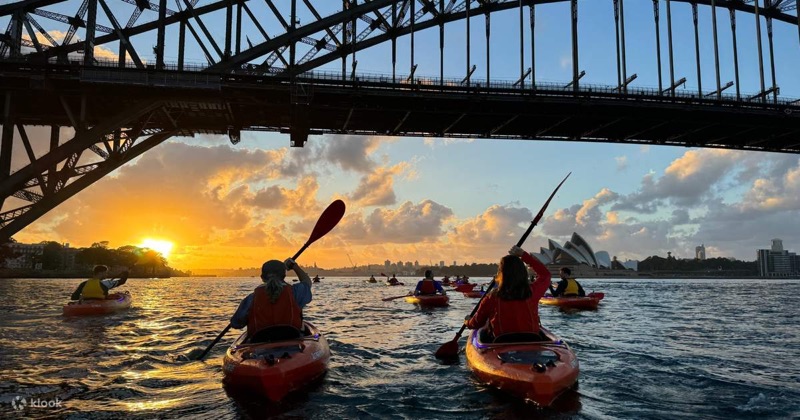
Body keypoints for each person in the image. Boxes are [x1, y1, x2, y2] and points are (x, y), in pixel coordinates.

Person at [464, 246, 550, 341]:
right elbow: (545, 275)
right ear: (523, 272)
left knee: (483, 332)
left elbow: (477, 323)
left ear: (501, 273)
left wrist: (467, 321)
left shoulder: (491, 297)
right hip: (532, 339)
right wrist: (524, 256)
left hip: (501, 342)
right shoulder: (533, 291)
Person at [230, 258, 312, 340]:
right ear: (284, 276)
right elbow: (307, 282)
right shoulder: (295, 292)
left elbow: (236, 324)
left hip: (259, 345)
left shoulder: (251, 298)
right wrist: (294, 266)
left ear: (262, 277)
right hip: (292, 340)